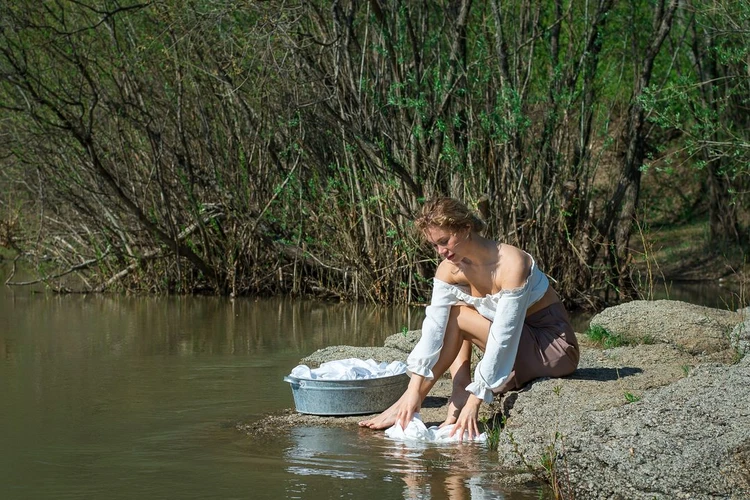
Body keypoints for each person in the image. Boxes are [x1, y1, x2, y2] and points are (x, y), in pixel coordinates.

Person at [358, 197, 579, 440]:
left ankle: (462, 393)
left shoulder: (511, 263)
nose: (441, 251)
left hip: (552, 348)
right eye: (434, 245)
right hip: (519, 348)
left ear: (465, 228)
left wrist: (477, 399)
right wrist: (412, 390)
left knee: (460, 315)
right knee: (453, 309)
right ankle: (446, 389)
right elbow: (434, 329)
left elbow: (505, 336)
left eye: (445, 241)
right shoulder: (450, 268)